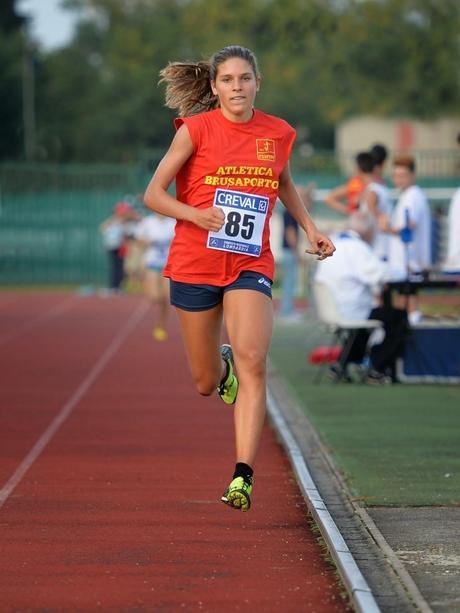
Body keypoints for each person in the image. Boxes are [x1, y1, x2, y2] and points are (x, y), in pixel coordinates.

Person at [143, 45, 335, 512]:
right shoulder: (195, 130)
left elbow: (283, 182)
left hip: (250, 262)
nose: (236, 87)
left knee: (255, 359)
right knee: (205, 381)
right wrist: (195, 214)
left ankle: (242, 476)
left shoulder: (278, 133)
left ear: (257, 83)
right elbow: (152, 194)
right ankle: (221, 368)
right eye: (227, 80)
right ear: (214, 86)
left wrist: (310, 227)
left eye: (244, 78)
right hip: (194, 263)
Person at [314, 212, 408, 384]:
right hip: (351, 310)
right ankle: (376, 368)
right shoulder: (357, 247)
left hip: (333, 308)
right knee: (398, 317)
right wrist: (403, 272)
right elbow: (377, 275)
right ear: (367, 231)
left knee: (370, 321)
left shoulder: (332, 242)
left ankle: (342, 364)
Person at [135, 212, 176, 341]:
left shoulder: (172, 222)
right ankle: (145, 283)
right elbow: (138, 239)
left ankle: (161, 325)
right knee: (155, 297)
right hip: (152, 262)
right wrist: (147, 241)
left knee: (166, 297)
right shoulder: (147, 221)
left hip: (168, 264)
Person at [358, 151, 393, 261]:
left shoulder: (373, 190)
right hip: (381, 247)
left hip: (377, 250)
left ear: (358, 170)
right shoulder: (379, 188)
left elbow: (371, 207)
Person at [99, 201, 133, 293]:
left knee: (120, 267)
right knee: (115, 267)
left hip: (120, 247)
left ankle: (117, 286)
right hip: (112, 246)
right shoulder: (113, 221)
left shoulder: (125, 222)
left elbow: (127, 235)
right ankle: (114, 286)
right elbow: (102, 228)